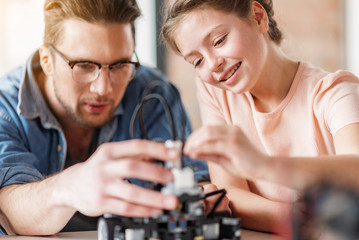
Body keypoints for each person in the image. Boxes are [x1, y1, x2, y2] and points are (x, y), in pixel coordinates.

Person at [0, 0, 210, 236]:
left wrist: (203, 197)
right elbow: (8, 208)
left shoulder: (155, 96)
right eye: (84, 65)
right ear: (47, 61)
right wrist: (69, 187)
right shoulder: (4, 109)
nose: (103, 89)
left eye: (120, 65)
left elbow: (198, 182)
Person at [161, 0, 359, 236]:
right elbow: (229, 194)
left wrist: (263, 165)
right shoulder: (217, 92)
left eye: (219, 40)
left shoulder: (335, 92)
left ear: (258, 17)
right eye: (198, 61)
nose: (213, 64)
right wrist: (308, 218)